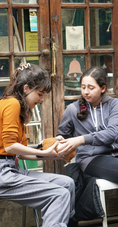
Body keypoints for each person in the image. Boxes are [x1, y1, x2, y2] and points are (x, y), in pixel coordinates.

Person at [0, 63, 75, 227]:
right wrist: (43, 154)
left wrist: (50, 155)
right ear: (26, 88)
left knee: (67, 184)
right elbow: (9, 147)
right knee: (59, 194)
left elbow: (19, 153)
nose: (42, 99)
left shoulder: (15, 106)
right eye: (40, 93)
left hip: (10, 169)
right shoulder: (11, 104)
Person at [57, 66, 118, 226]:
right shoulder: (73, 109)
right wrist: (62, 143)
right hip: (91, 159)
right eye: (83, 87)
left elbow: (112, 133)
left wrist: (80, 139)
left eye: (91, 87)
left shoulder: (114, 105)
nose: (86, 91)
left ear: (102, 88)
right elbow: (62, 134)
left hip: (114, 156)